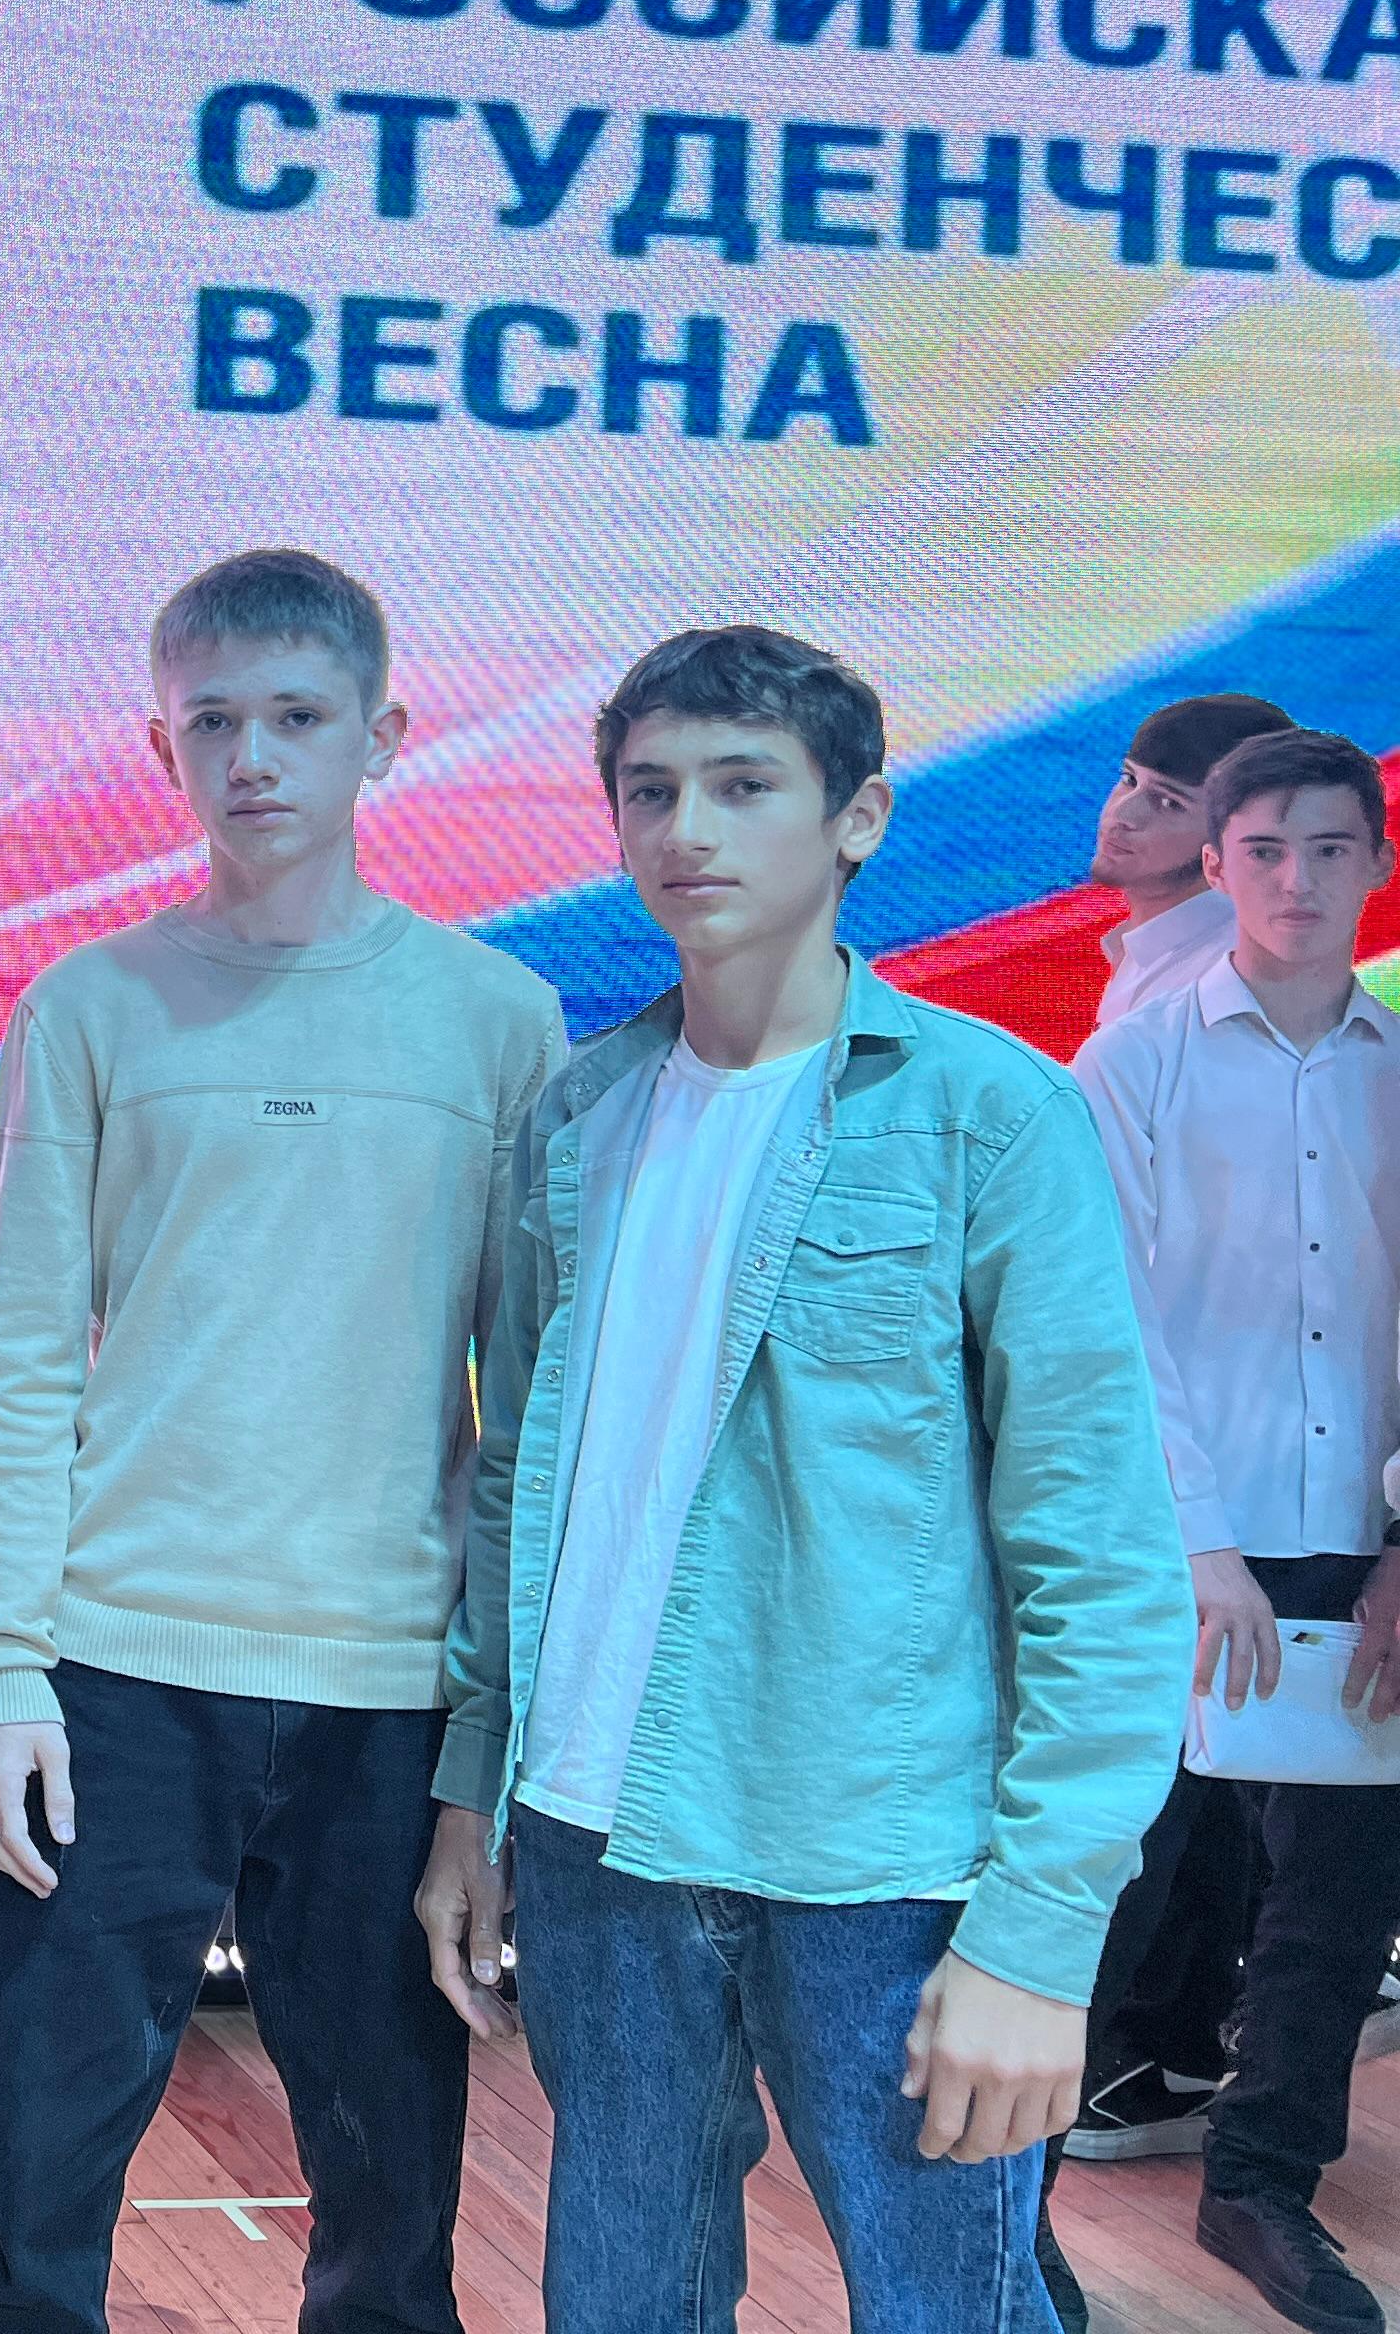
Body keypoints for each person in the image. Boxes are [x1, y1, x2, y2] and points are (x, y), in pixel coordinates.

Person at [418, 625, 1193, 2334]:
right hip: (596, 1831)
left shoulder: (990, 1115)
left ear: (857, 817)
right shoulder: (577, 1116)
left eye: (741, 784)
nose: (685, 827)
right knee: (622, 2301)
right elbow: (520, 1478)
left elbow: (1096, 1549)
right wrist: (476, 1786)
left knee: (944, 2305)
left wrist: (1040, 1927)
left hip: (881, 1851)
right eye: (649, 791)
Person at [0, 550, 564, 2334]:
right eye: (212, 721)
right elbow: (22, 1358)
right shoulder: (89, 1004)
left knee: (392, 2199)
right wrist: (4, 1667)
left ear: (385, 731)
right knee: (34, 2190)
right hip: (119, 1666)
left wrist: (488, 1727)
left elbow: (521, 1409)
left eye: (297, 715)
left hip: (388, 1680)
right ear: (162, 747)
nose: (254, 756)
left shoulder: (496, 1021)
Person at [1071, 725, 1400, 2334]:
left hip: (1358, 1542)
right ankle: (1006, 2205)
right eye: (1264, 850)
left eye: (1331, 848)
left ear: (1378, 864)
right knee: (1116, 1881)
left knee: (1336, 1905)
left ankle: (1262, 2184)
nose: (1297, 880)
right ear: (1218, 867)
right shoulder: (1133, 1064)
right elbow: (1108, 1323)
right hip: (1174, 1549)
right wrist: (1199, 1547)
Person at [1094, 695, 1296, 1036]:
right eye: (1130, 779)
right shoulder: (1154, 951)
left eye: (1169, 803)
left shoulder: (1216, 988)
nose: (1121, 814)